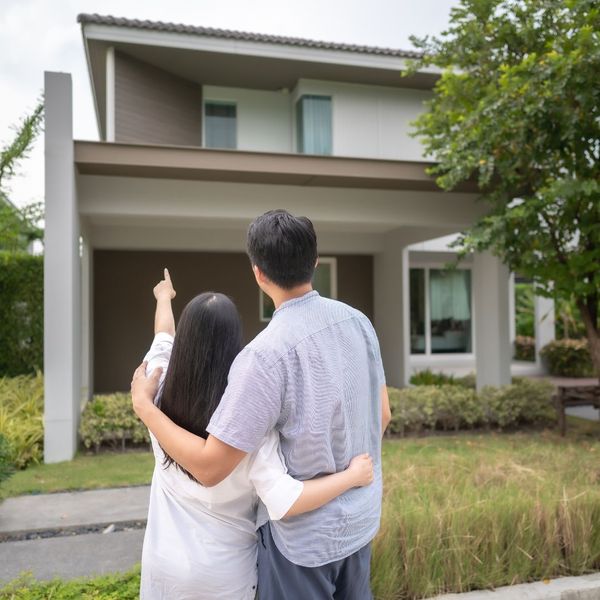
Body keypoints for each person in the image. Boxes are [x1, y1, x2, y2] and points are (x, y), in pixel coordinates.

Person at [132, 210, 391, 599]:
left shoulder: (264, 355)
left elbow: (210, 465)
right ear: (315, 261)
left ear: (258, 273)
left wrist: (145, 407)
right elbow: (383, 414)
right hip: (359, 521)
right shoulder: (358, 322)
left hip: (303, 545)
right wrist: (353, 474)